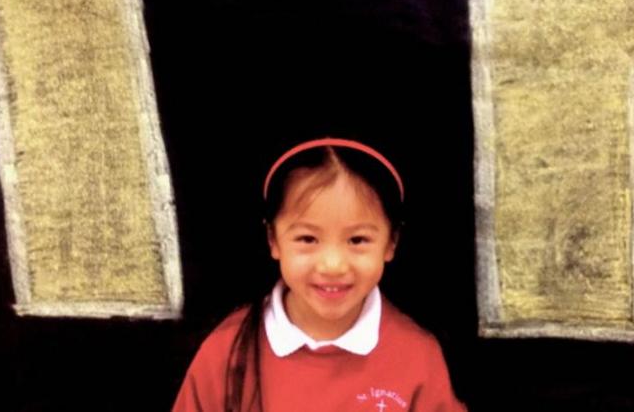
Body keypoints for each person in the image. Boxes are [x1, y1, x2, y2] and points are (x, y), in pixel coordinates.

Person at [172, 137, 467, 412]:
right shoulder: (226, 351)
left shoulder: (417, 356)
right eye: (307, 239)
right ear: (273, 239)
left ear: (391, 242)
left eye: (357, 240)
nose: (332, 265)